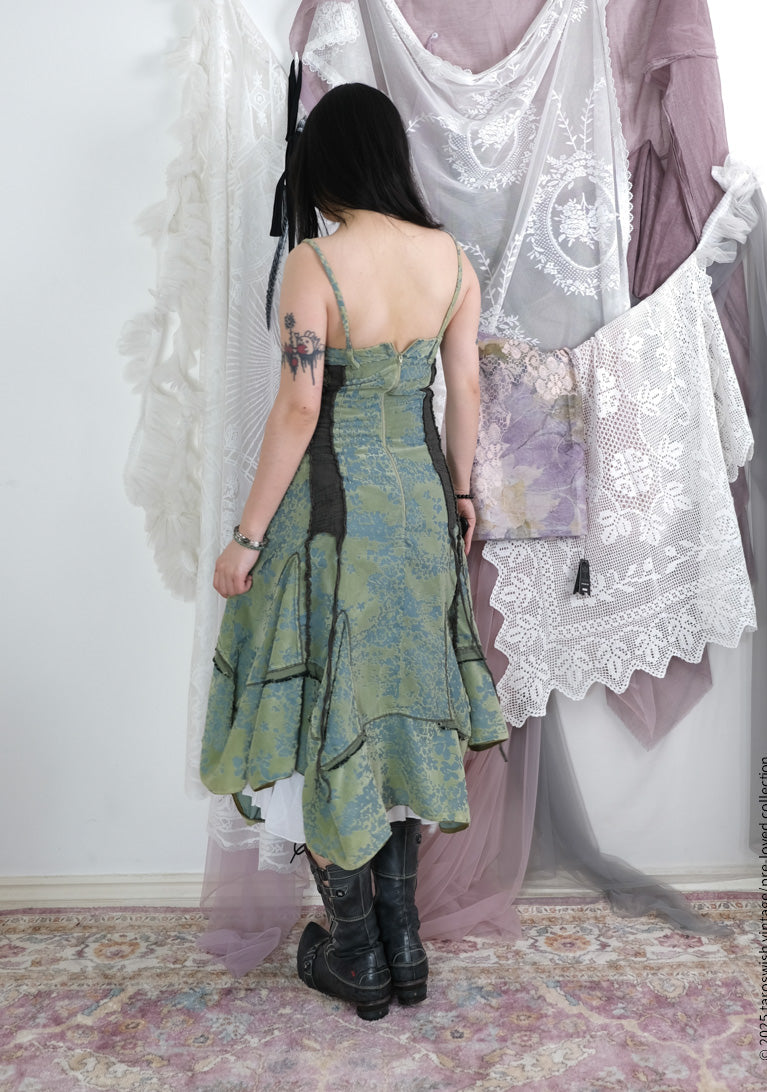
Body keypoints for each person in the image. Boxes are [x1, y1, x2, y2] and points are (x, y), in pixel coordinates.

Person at [201, 82, 507, 1021]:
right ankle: (402, 945)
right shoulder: (450, 260)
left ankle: (354, 952)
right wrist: (462, 497)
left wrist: (246, 538)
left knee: (326, 712)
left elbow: (300, 407)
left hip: (329, 528)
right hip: (420, 517)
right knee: (402, 712)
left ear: (327, 165)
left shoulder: (315, 262)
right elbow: (464, 389)